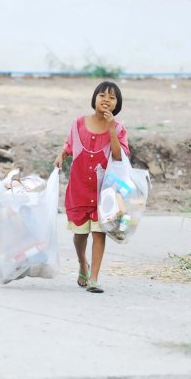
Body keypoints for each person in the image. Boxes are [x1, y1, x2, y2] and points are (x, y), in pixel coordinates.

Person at [53, 81, 129, 293]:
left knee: (98, 232)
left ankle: (94, 278)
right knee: (80, 234)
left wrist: (111, 128)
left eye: (112, 97)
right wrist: (61, 155)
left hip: (104, 192)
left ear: (117, 104)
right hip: (78, 189)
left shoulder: (119, 129)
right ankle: (82, 264)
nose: (106, 100)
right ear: (94, 98)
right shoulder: (78, 123)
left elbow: (118, 156)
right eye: (102, 95)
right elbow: (69, 145)